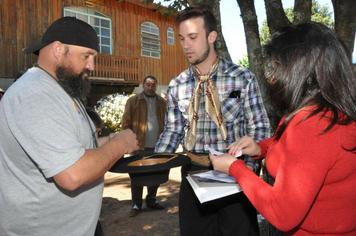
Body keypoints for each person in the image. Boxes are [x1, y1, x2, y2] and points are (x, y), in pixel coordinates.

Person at [210, 21, 356, 235]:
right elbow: (311, 154)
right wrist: (261, 148)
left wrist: (234, 168)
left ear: (299, 70)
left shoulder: (311, 124)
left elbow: (282, 213)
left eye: (277, 68)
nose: (273, 77)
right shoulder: (330, 111)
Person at [0, 17, 139, 236]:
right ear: (58, 49)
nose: (91, 66)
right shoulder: (35, 95)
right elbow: (72, 174)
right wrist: (120, 145)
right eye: (86, 56)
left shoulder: (59, 90)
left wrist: (108, 141)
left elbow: (71, 146)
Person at [155, 4, 270, 236]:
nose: (186, 45)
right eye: (182, 38)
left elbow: (260, 128)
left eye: (193, 37)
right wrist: (155, 163)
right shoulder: (177, 85)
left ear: (211, 36)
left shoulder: (243, 78)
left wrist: (246, 168)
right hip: (193, 178)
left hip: (236, 177)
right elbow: (172, 131)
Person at [122, 75, 167, 217]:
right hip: (139, 146)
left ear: (156, 87)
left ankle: (151, 200)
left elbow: (167, 122)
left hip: (157, 146)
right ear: (143, 86)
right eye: (148, 84)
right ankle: (136, 204)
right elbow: (126, 124)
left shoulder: (162, 102)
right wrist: (128, 142)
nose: (150, 88)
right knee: (137, 176)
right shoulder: (133, 101)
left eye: (153, 85)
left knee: (156, 174)